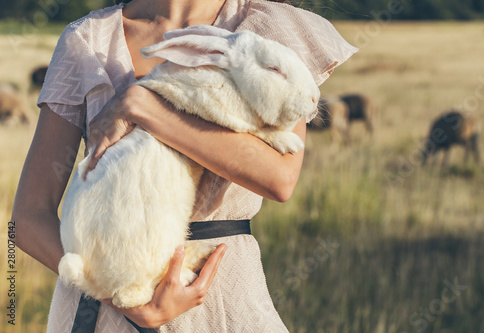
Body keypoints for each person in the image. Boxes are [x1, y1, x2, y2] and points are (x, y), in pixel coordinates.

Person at [11, 0, 357, 331]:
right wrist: (127, 300)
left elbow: (279, 178)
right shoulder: (88, 40)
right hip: (107, 303)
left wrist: (143, 105)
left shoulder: (273, 28)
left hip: (219, 297)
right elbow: (27, 219)